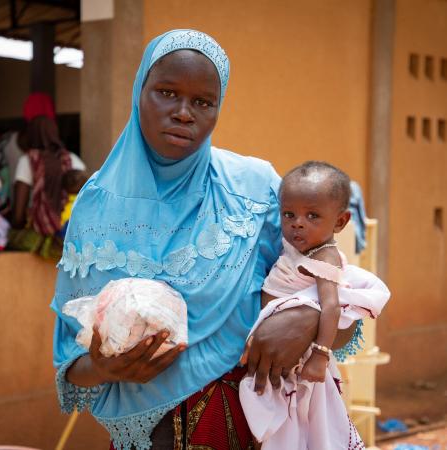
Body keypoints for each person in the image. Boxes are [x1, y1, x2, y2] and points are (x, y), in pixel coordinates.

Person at [52, 30, 383, 450]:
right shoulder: (95, 207)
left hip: (262, 428)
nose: (184, 113)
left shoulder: (254, 188)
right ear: (139, 92)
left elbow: (330, 296)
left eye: (203, 102)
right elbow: (70, 362)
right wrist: (104, 366)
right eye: (167, 92)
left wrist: (305, 320)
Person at [239, 161, 390, 449]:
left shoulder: (324, 256)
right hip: (276, 354)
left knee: (293, 425)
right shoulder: (297, 247)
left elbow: (331, 306)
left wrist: (319, 356)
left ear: (340, 222)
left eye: (312, 215)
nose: (298, 223)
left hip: (298, 358)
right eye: (289, 214)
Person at [8, 116, 85, 258]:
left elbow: (18, 216)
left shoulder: (28, 161)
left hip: (42, 238)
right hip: (76, 239)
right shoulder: (73, 160)